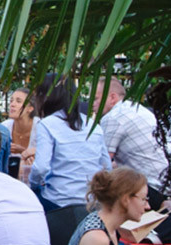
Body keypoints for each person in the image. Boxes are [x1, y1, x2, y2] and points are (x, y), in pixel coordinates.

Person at [93, 79, 171, 196]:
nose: (92, 104)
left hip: (159, 190)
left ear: (112, 97)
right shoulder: (137, 108)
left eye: (95, 99)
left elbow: (102, 164)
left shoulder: (112, 117)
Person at [28, 74, 112, 211]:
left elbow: (40, 168)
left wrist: (33, 184)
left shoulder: (47, 124)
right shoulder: (93, 125)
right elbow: (107, 167)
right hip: (90, 202)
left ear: (45, 97)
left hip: (57, 201)